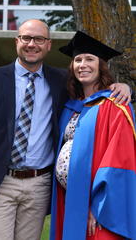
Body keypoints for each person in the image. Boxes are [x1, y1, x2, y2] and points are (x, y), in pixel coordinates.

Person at [0, 20, 132, 240]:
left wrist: (124, 86)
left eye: (39, 39)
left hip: (40, 185)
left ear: (48, 45)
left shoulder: (60, 82)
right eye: (26, 38)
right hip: (2, 182)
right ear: (16, 41)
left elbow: (96, 89)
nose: (32, 44)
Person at [49, 31, 136, 240]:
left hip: (97, 207)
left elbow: (118, 163)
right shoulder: (72, 106)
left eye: (90, 59)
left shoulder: (114, 106)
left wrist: (98, 207)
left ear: (101, 66)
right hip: (69, 200)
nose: (82, 64)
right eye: (78, 59)